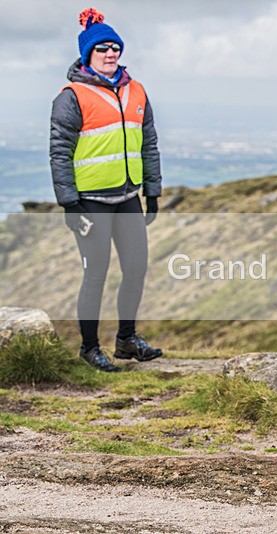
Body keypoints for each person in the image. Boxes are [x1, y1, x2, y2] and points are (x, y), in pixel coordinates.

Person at [50, 8, 163, 372]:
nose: (111, 53)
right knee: (95, 274)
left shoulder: (136, 90)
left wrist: (153, 190)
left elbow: (149, 144)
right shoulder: (72, 96)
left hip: (128, 198)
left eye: (115, 47)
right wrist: (69, 204)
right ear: (88, 54)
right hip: (90, 203)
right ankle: (89, 348)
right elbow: (60, 152)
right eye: (102, 48)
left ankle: (127, 340)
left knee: (136, 269)